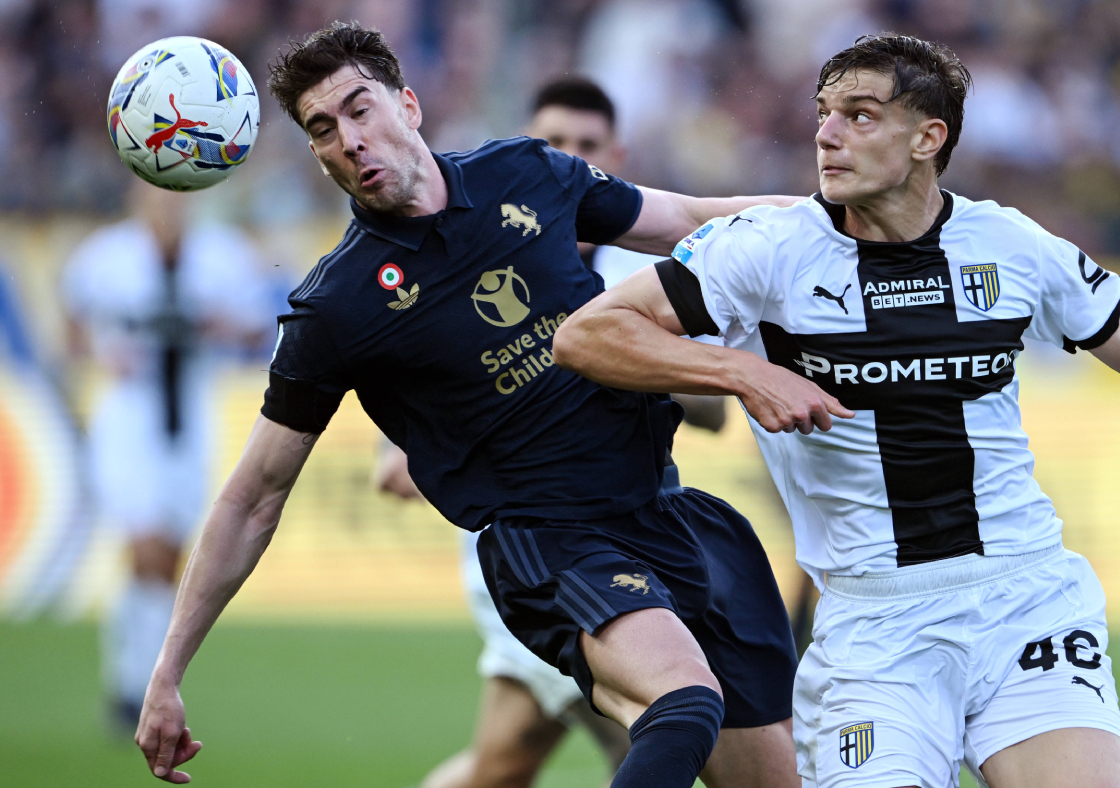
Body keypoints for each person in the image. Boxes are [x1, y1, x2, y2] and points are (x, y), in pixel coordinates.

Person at [553, 34, 1120, 788]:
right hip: (874, 628)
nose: (827, 135)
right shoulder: (768, 248)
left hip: (1027, 601)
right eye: (824, 114)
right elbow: (588, 335)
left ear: (927, 138)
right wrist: (742, 373)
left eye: (860, 116)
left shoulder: (1010, 245)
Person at [135, 22, 800, 788]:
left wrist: (837, 222)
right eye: (322, 129)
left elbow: (687, 221)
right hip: (553, 543)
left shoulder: (527, 173)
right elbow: (253, 496)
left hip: (666, 509)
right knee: (681, 703)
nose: (348, 140)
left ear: (409, 105)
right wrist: (167, 669)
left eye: (359, 109)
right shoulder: (336, 307)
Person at [376, 76, 726, 788]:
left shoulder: (646, 273)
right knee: (661, 728)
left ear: (614, 157)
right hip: (536, 548)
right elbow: (402, 441)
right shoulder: (478, 259)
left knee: (503, 765)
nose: (571, 156)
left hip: (631, 533)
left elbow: (716, 413)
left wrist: (630, 355)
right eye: (554, 142)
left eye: (587, 144)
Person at [64, 181, 271, 733]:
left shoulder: (222, 256)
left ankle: (128, 681)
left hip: (192, 415)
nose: (167, 203)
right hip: (130, 415)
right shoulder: (106, 257)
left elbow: (259, 327)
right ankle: (142, 686)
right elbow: (72, 329)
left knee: (167, 557)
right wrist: (102, 354)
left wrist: (220, 326)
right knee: (146, 542)